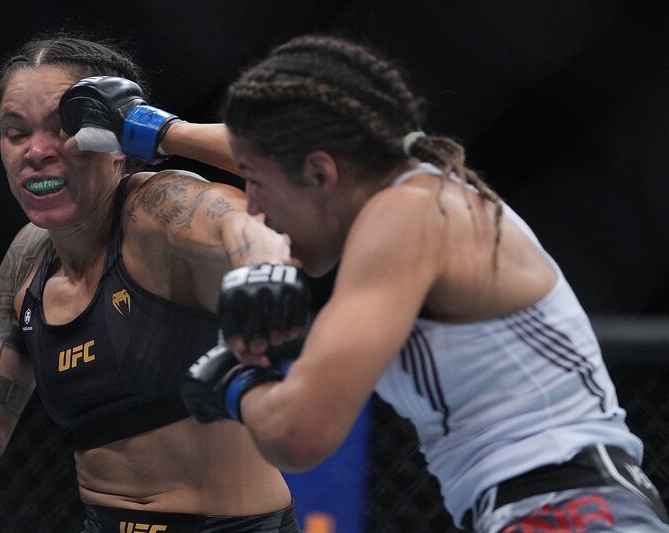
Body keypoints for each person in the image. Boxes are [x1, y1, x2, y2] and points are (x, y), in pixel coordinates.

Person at [180, 35, 669, 532]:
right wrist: (158, 132)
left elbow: (299, 432)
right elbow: (270, 153)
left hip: (569, 509)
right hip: (560, 505)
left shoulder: (407, 218)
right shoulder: (415, 199)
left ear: (321, 173)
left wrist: (238, 382)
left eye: (255, 182)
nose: (255, 206)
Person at [0, 34, 301, 533]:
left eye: (64, 128)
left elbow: (273, 201)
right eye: (16, 132)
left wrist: (161, 131)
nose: (38, 152)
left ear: (115, 144)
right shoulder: (27, 259)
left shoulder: (161, 213)